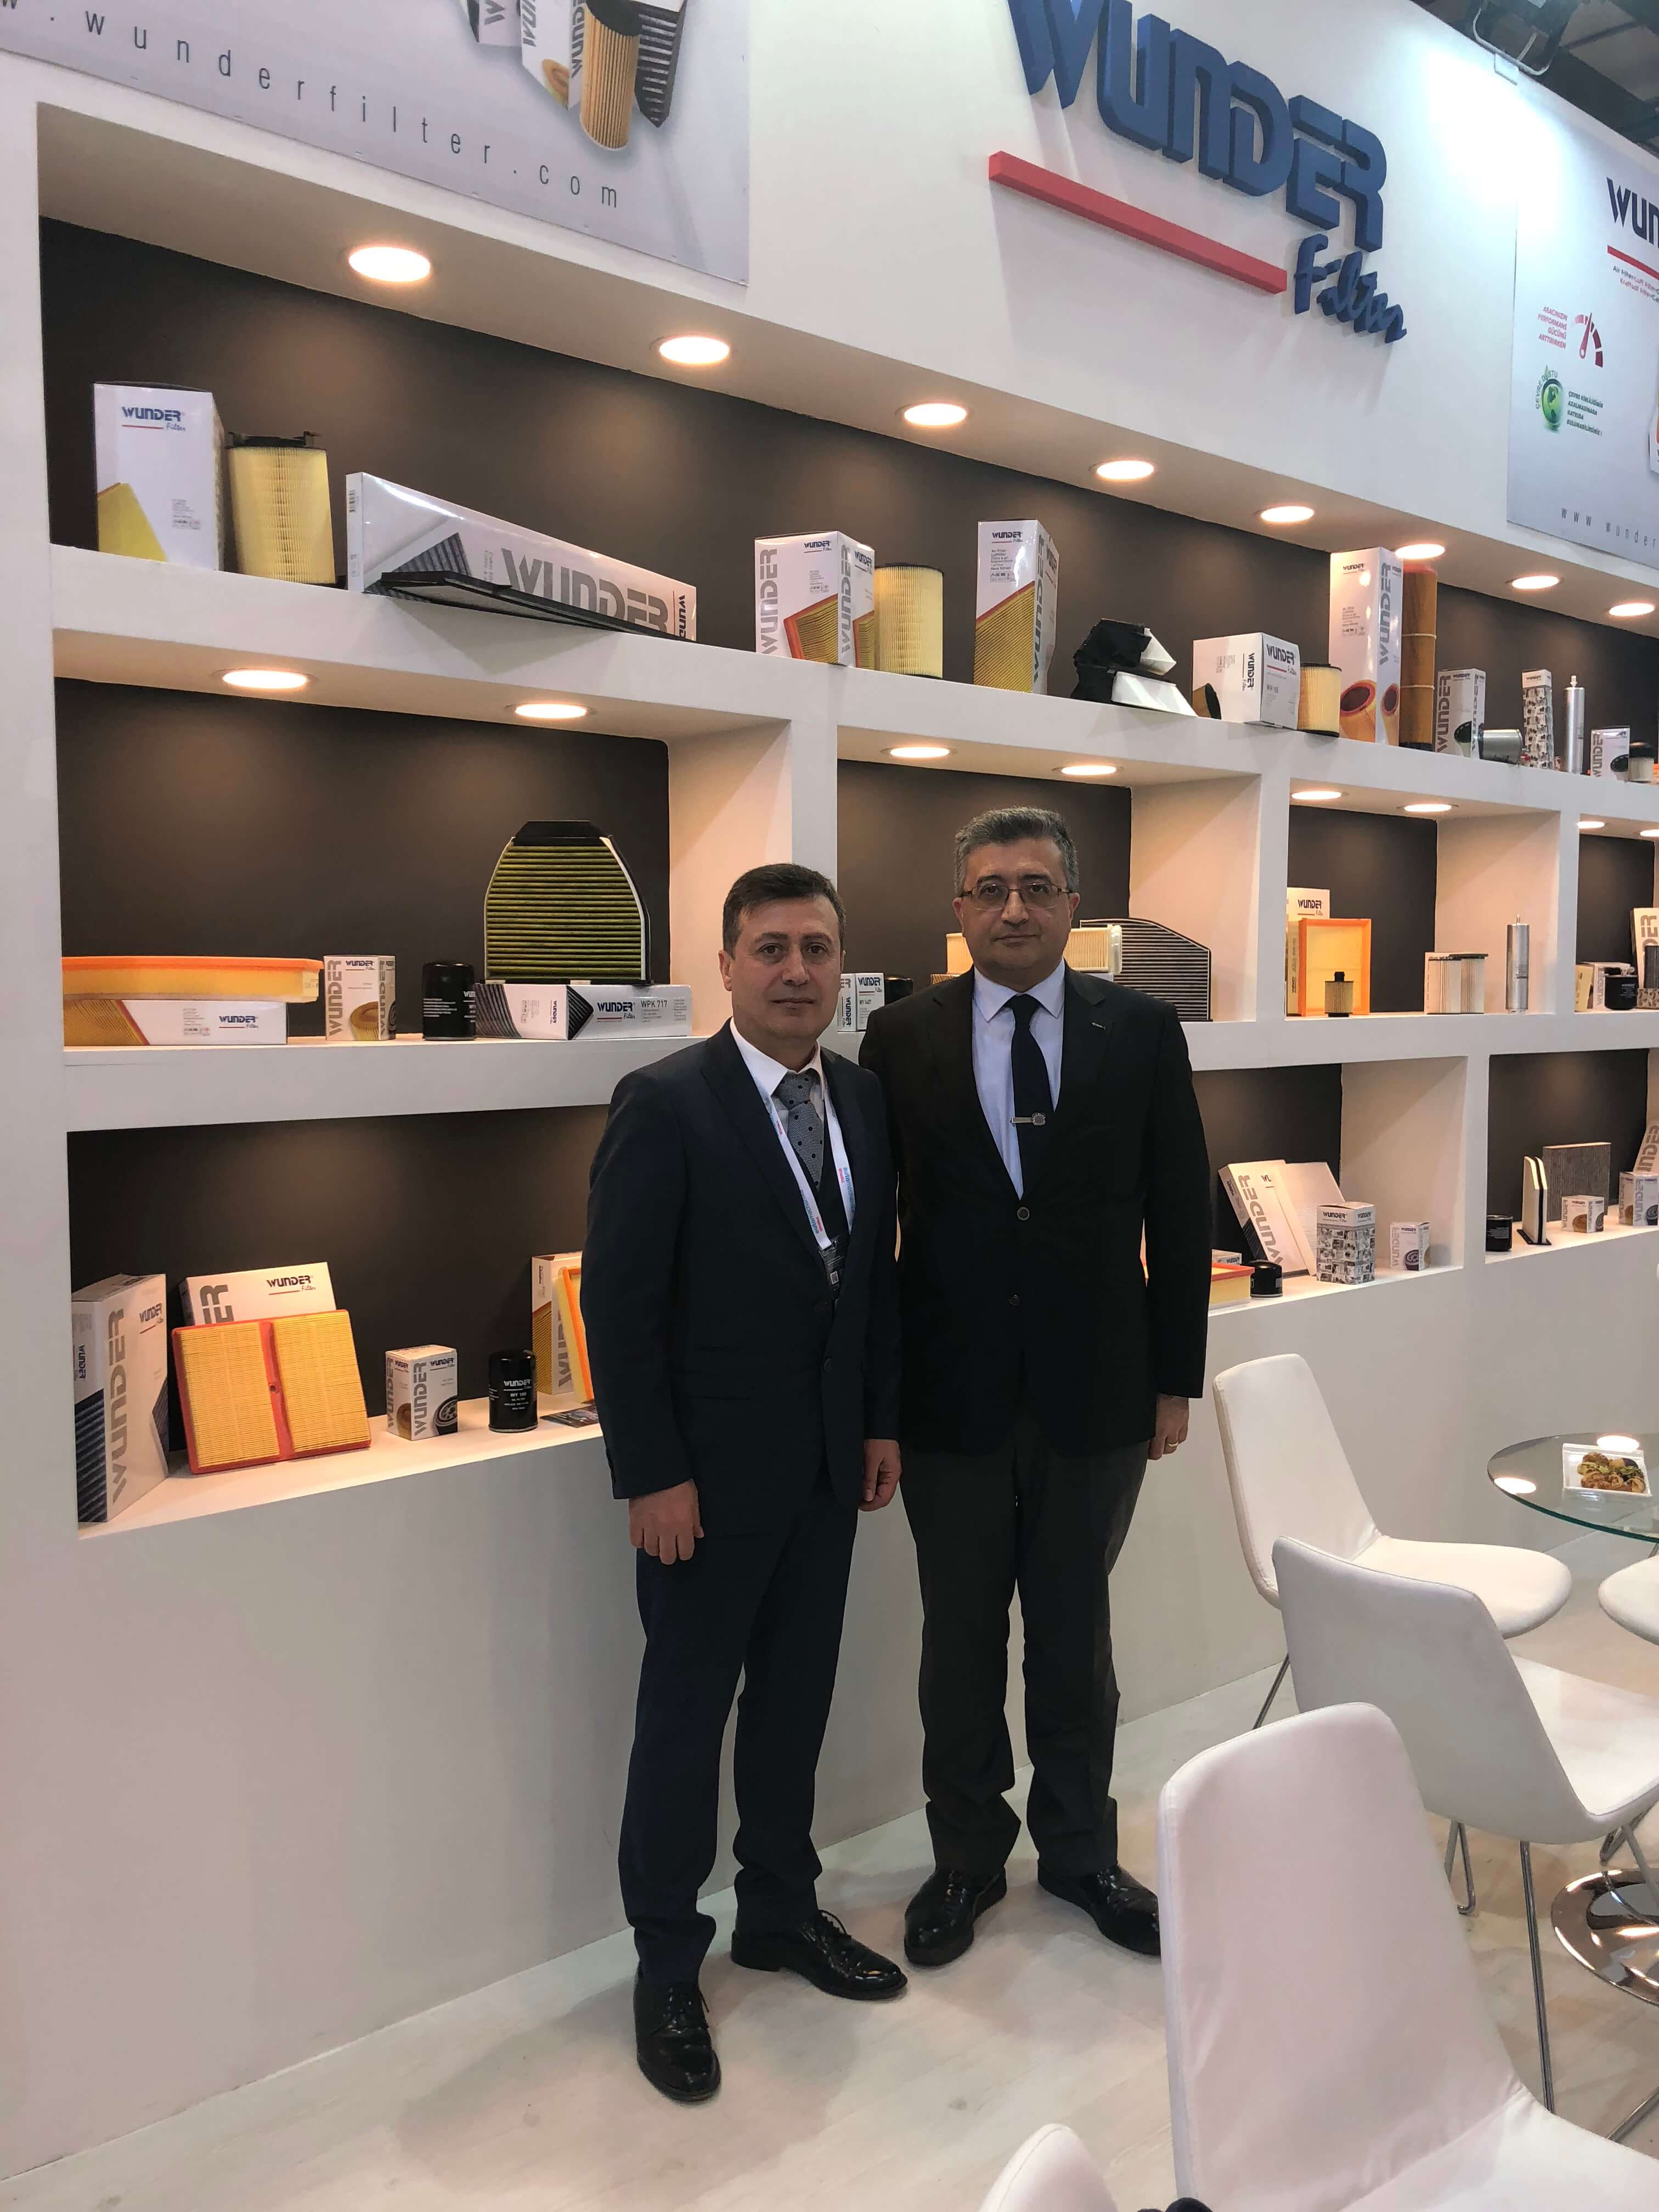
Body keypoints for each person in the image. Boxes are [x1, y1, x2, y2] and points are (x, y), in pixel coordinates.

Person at [861, 806, 1210, 1970]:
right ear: (959, 908)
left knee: (1074, 1635)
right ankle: (966, 1856)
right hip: (947, 1397)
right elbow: (876, 1231)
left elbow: (1181, 1209)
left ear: (1073, 903)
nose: (1014, 908)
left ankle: (1079, 1853)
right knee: (959, 1642)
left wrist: (1175, 1381)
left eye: (1037, 887)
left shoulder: (1142, 1030)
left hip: (1099, 1393)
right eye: (991, 889)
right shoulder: (899, 1036)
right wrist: (877, 1404)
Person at [583, 862, 908, 2107]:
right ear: (725, 965)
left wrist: (877, 1427)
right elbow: (621, 1309)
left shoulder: (862, 1097)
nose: (796, 972)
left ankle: (778, 1909)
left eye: (817, 949)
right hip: (703, 1494)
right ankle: (669, 1963)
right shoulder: (665, 1103)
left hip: (826, 1474)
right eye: (770, 949)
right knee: (684, 1722)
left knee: (793, 1706)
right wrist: (653, 1474)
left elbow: (867, 1285)